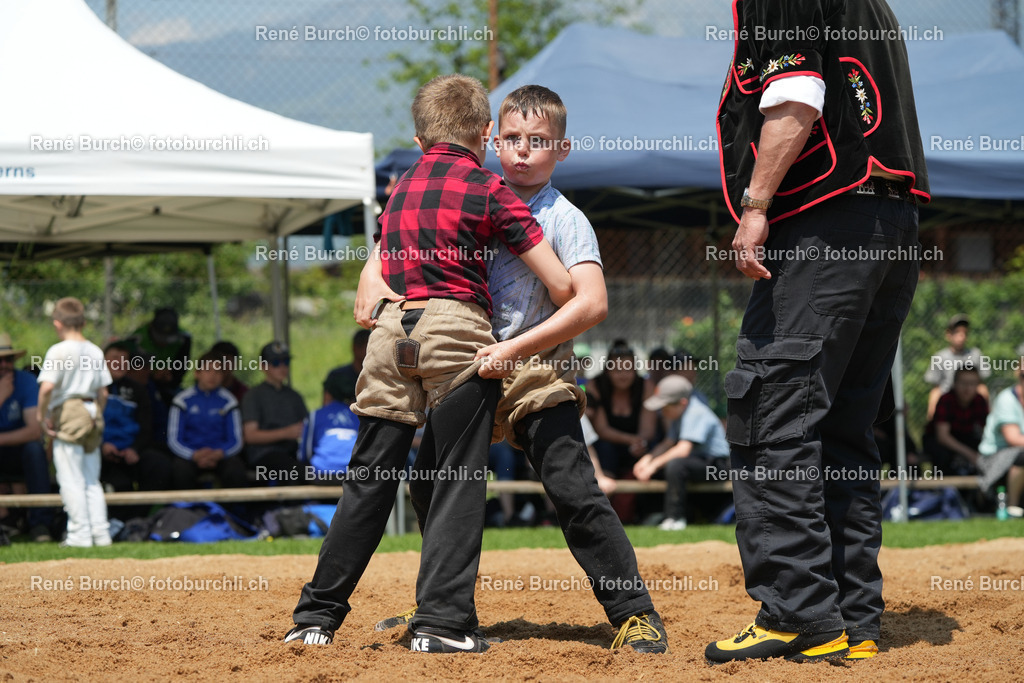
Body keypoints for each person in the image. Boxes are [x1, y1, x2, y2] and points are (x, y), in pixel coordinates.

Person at [367, 85, 667, 652]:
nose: (523, 151)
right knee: (431, 486)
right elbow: (400, 238)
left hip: (535, 372)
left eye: (538, 141)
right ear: (490, 141)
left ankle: (634, 613)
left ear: (563, 149)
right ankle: (443, 606)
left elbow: (590, 303)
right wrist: (370, 270)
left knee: (573, 488)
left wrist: (515, 350)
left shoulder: (566, 218)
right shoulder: (473, 194)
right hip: (464, 365)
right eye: (511, 139)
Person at [286, 74, 572, 653]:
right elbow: (561, 283)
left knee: (369, 477)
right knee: (457, 480)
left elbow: (381, 265)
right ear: (487, 134)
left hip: (391, 334)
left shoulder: (400, 187)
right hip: (456, 331)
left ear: (420, 140)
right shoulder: (492, 190)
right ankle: (441, 624)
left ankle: (315, 619)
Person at [706, 0, 930, 664]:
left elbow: (797, 96)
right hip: (890, 228)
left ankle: (798, 612)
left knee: (771, 417)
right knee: (840, 428)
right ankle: (852, 620)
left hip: (825, 224)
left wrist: (755, 205)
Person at [36, 297, 113, 548]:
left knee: (70, 478)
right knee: (91, 478)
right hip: (92, 411)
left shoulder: (58, 351)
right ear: (83, 322)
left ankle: (79, 536)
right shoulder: (95, 350)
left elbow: (47, 388)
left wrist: (41, 416)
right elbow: (104, 393)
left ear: (58, 324)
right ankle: (101, 534)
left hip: (69, 410)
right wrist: (96, 414)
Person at [634, 375, 729, 531]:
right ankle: (650, 516)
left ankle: (675, 519)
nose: (661, 411)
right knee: (667, 467)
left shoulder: (696, 412)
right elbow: (668, 443)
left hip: (718, 465)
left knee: (676, 465)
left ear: (682, 403)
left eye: (665, 406)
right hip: (699, 461)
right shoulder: (679, 415)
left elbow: (683, 450)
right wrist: (646, 460)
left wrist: (654, 465)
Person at [586, 340, 657, 523]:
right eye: (617, 370)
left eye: (628, 369)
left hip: (636, 447)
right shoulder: (596, 384)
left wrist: (639, 443)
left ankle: (648, 513)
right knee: (606, 449)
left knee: (650, 451)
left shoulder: (646, 386)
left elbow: (648, 430)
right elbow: (601, 430)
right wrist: (631, 440)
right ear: (607, 371)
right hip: (606, 445)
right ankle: (601, 514)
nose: (623, 375)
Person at [100, 342, 171, 514]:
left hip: (131, 450)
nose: (120, 363)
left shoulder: (138, 390)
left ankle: (140, 517)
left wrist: (134, 449)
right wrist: (101, 446)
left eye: (124, 359)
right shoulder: (91, 388)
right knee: (118, 481)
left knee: (160, 465)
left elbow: (146, 427)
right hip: (99, 449)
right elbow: (84, 424)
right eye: (115, 358)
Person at [167, 351, 248, 489]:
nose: (212, 375)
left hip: (220, 455)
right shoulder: (182, 400)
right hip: (191, 455)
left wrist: (220, 453)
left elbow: (236, 440)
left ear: (223, 376)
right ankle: (186, 508)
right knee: (179, 470)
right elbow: (173, 439)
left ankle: (230, 510)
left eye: (218, 372)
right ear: (197, 373)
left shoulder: (229, 401)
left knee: (236, 469)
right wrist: (194, 455)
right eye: (208, 370)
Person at [0, 333, 53, 541]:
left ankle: (41, 523)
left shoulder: (27, 381)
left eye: (9, 359)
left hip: (18, 452)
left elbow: (34, 431)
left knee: (34, 449)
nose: (4, 365)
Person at [241, 342, 307, 483]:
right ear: (263, 366)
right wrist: (287, 433)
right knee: (294, 470)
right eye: (276, 362)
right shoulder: (253, 395)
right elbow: (250, 436)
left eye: (286, 361)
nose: (282, 367)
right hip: (263, 454)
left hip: (292, 452)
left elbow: (307, 427)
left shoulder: (294, 396)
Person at [977, 358, 1024, 510]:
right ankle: (1013, 507)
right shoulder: (1007, 399)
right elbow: (1013, 439)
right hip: (995, 457)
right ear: (1018, 374)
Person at [922, 367, 988, 476]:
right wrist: (970, 454)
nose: (967, 388)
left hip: (966, 439)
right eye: (963, 383)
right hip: (942, 442)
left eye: (972, 383)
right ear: (955, 383)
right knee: (941, 454)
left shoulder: (980, 401)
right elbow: (942, 437)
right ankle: (943, 490)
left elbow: (984, 430)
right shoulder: (946, 400)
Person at [924, 315, 990, 420]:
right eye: (957, 332)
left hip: (971, 401)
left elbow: (981, 385)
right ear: (948, 334)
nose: (961, 336)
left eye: (965, 333)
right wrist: (932, 417)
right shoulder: (939, 357)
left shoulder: (975, 354)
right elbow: (936, 389)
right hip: (947, 403)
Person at [299, 371, 359, 481]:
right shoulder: (359, 415)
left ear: (328, 393)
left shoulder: (315, 415)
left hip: (322, 473)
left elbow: (305, 454)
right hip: (353, 474)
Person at [129, 307, 192, 405]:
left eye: (167, 339)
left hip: (170, 383)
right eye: (160, 337)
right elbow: (132, 371)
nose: (163, 343)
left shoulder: (183, 338)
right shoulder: (137, 338)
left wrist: (171, 375)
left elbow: (182, 365)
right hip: (144, 383)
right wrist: (153, 374)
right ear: (151, 326)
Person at [322, 329, 370, 406]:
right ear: (356, 348)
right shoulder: (337, 377)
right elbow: (327, 408)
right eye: (368, 348)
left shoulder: (380, 377)